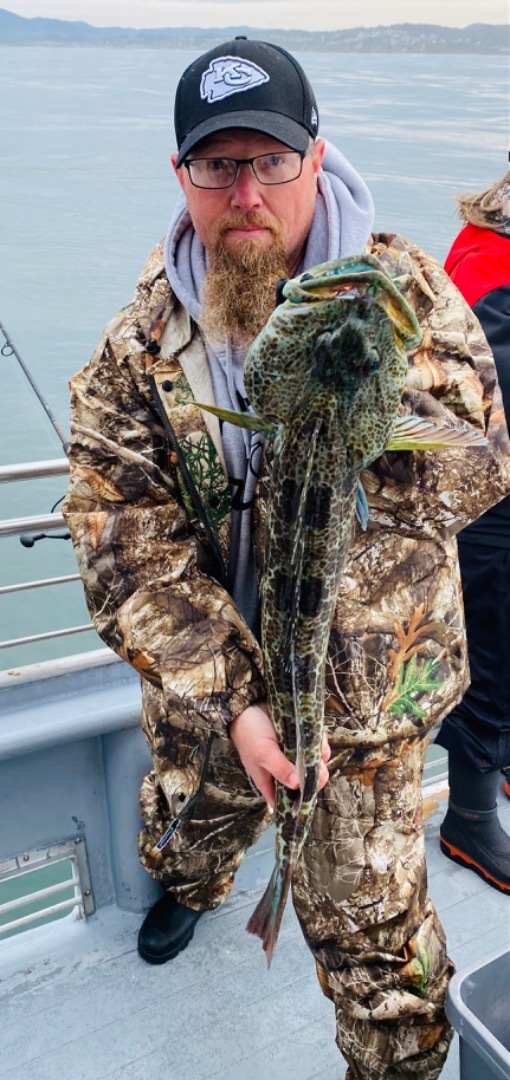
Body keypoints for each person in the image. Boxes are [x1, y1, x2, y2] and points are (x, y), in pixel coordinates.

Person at [62, 38, 510, 1080]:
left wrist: (371, 422)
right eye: (218, 165)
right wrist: (237, 702)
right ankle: (196, 881)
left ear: (316, 157)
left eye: (269, 158)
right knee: (191, 819)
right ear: (184, 177)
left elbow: (478, 469)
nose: (246, 189)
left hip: (364, 709)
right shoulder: (134, 354)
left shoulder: (400, 297)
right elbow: (125, 543)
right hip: (211, 693)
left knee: (381, 955)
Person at [436, 171, 510, 894]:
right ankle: (469, 816)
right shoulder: (487, 261)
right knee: (490, 663)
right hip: (492, 513)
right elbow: (491, 404)